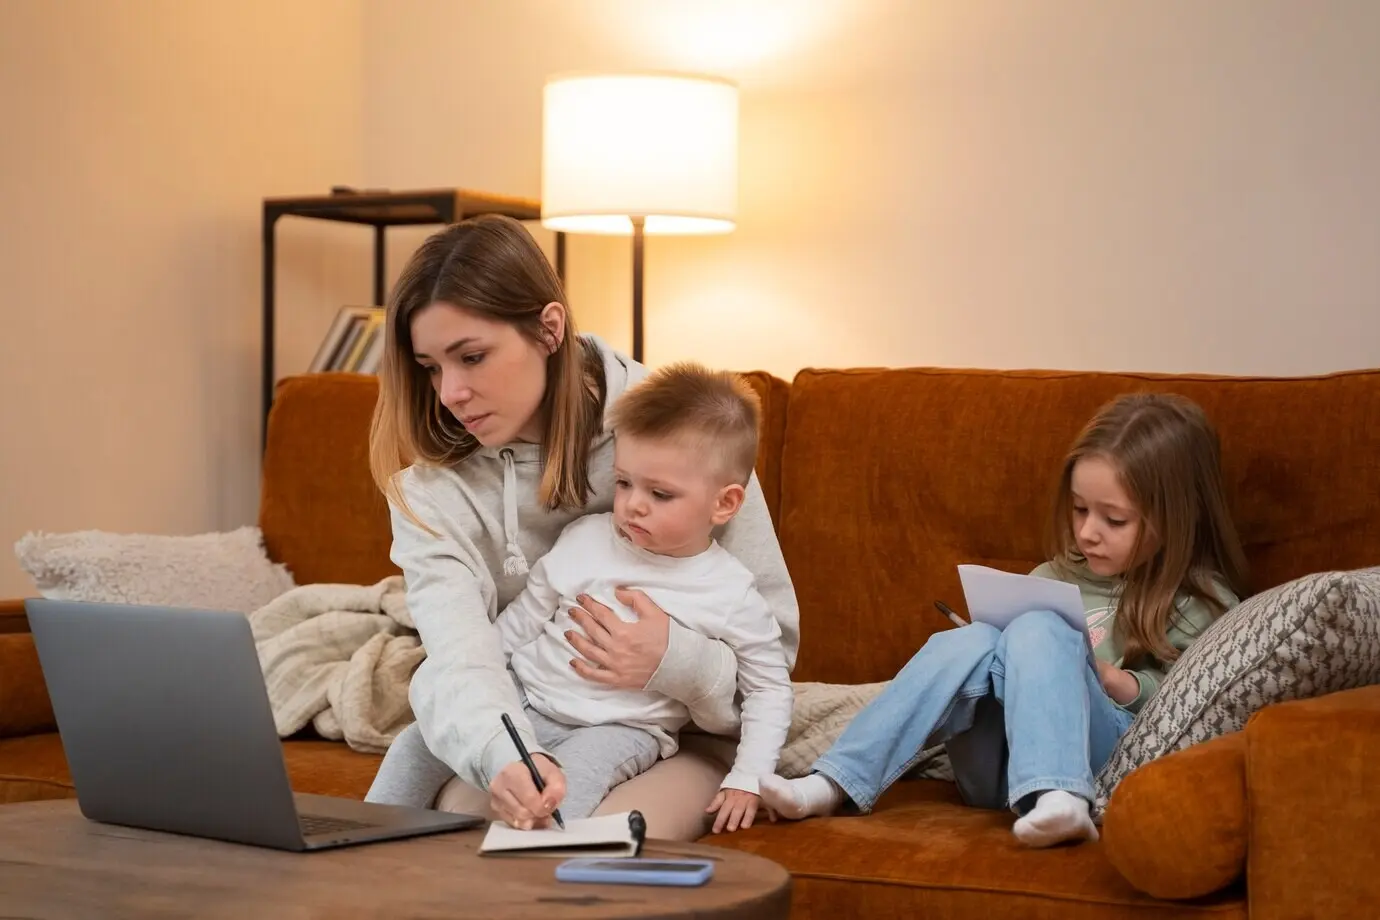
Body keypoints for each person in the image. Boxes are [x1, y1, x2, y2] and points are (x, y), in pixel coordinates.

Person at [362, 214, 799, 840]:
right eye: (431, 367)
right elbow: (462, 655)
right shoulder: (434, 485)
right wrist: (501, 747)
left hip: (677, 732)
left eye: (473, 357)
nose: (450, 393)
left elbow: (772, 655)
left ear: (549, 329)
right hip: (524, 711)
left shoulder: (677, 432)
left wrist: (670, 659)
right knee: (466, 819)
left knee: (581, 836)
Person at [759, 392, 1248, 848]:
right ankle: (833, 781)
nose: (1087, 532)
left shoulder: (1201, 602)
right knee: (975, 639)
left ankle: (1064, 797)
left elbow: (1202, 711)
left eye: (1114, 519)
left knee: (1037, 627)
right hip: (1000, 770)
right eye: (1079, 510)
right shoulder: (1054, 575)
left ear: (1178, 516)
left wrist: (1116, 681)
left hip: (1100, 763)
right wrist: (995, 651)